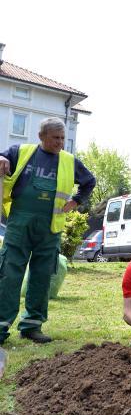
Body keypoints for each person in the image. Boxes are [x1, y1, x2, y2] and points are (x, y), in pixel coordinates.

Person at [0, 117, 96, 344]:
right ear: (42, 136)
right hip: (19, 225)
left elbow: (89, 181)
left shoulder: (69, 161)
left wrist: (75, 202)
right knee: (8, 274)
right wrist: (1, 157)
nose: (60, 142)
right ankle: (1, 326)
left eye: (63, 138)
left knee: (42, 276)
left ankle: (32, 325)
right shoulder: (20, 151)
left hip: (50, 228)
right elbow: (2, 159)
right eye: (55, 138)